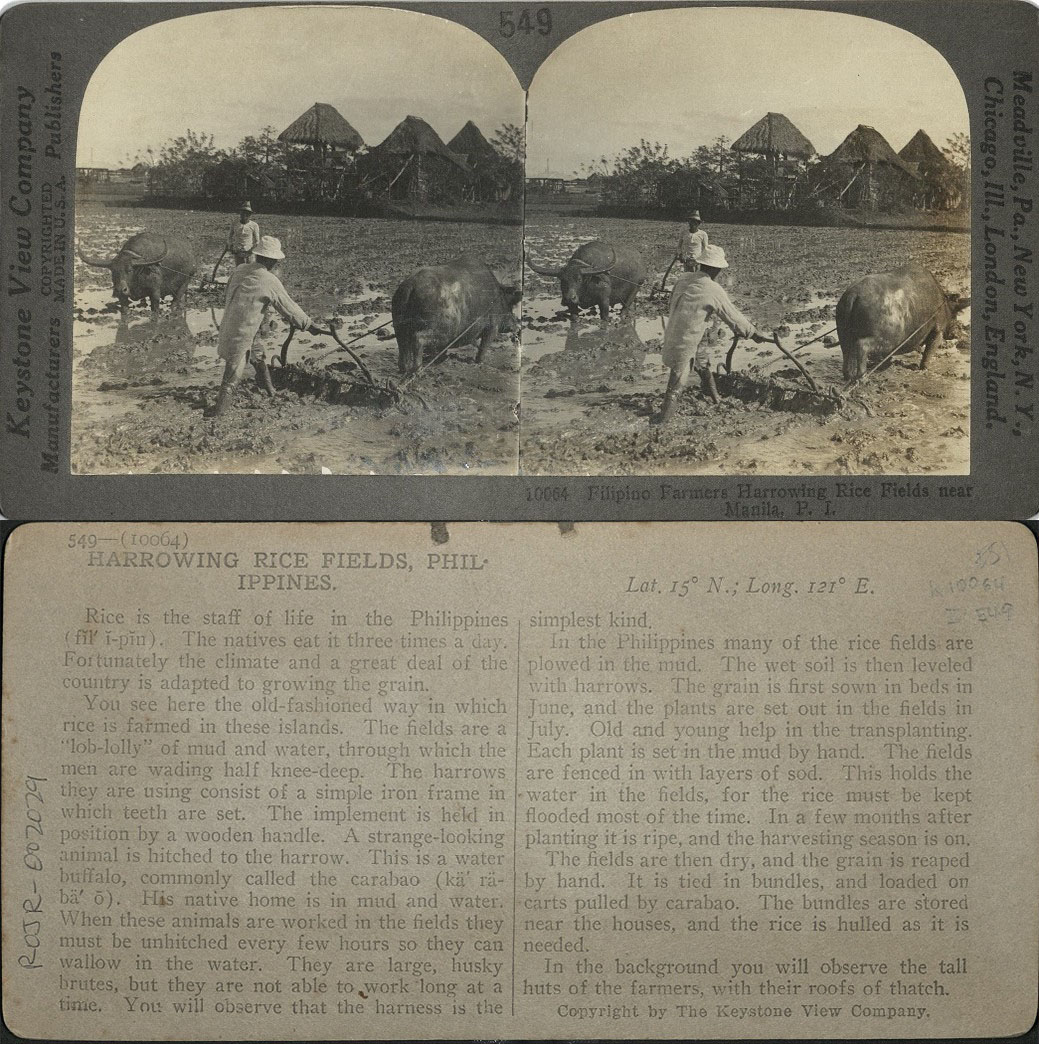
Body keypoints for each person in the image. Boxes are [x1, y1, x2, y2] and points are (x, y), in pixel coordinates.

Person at [205, 236, 324, 418]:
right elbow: (288, 307)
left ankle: (270, 391)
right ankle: (218, 416)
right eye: (275, 260)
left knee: (257, 355)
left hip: (230, 326)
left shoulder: (239, 269)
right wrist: (309, 325)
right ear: (270, 260)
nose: (276, 263)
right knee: (231, 378)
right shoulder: (269, 279)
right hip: (241, 334)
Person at [653, 243, 770, 425]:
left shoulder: (683, 278)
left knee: (702, 363)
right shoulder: (712, 288)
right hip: (685, 343)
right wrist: (753, 333)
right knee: (675, 387)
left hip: (674, 335)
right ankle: (660, 425)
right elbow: (733, 316)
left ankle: (716, 399)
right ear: (716, 269)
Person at [228, 201, 261, 266]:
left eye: (247, 214)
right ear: (240, 213)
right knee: (239, 270)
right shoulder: (235, 223)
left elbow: (257, 241)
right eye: (242, 213)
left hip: (249, 251)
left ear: (250, 215)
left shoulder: (254, 225)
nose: (244, 215)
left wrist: (251, 250)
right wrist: (231, 246)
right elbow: (230, 237)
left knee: (250, 270)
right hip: (238, 251)